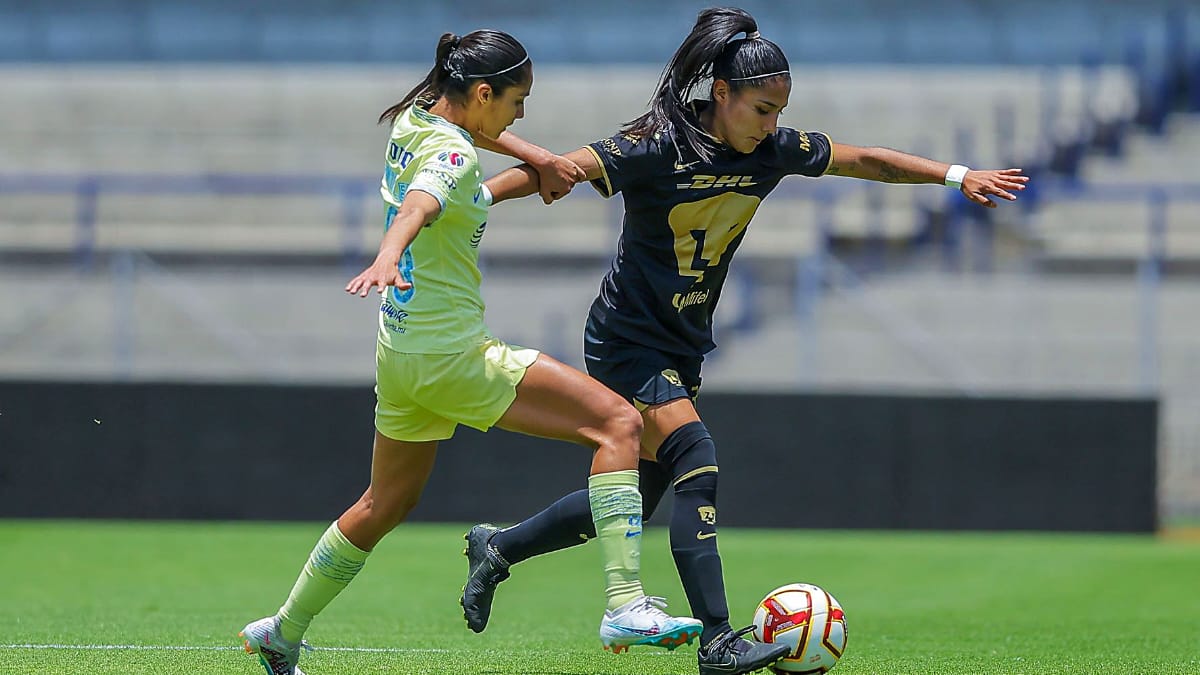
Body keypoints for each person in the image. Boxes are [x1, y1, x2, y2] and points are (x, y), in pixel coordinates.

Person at [459, 7, 1030, 675]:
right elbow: (561, 169)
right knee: (697, 458)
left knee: (630, 501)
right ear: (721, 94)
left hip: (681, 344)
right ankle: (719, 639)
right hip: (626, 339)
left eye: (779, 111)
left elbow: (867, 160)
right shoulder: (654, 146)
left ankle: (498, 547)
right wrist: (471, 200)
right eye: (761, 109)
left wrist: (958, 176)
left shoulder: (773, 150)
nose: (772, 124)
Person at [237, 29, 702, 675]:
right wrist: (389, 252)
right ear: (482, 92)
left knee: (385, 503)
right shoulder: (450, 158)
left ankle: (281, 631)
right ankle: (624, 604)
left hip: (401, 355)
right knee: (619, 422)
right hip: (453, 356)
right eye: (517, 101)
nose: (520, 114)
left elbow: (463, 152)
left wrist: (533, 154)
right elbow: (423, 201)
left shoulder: (414, 118)